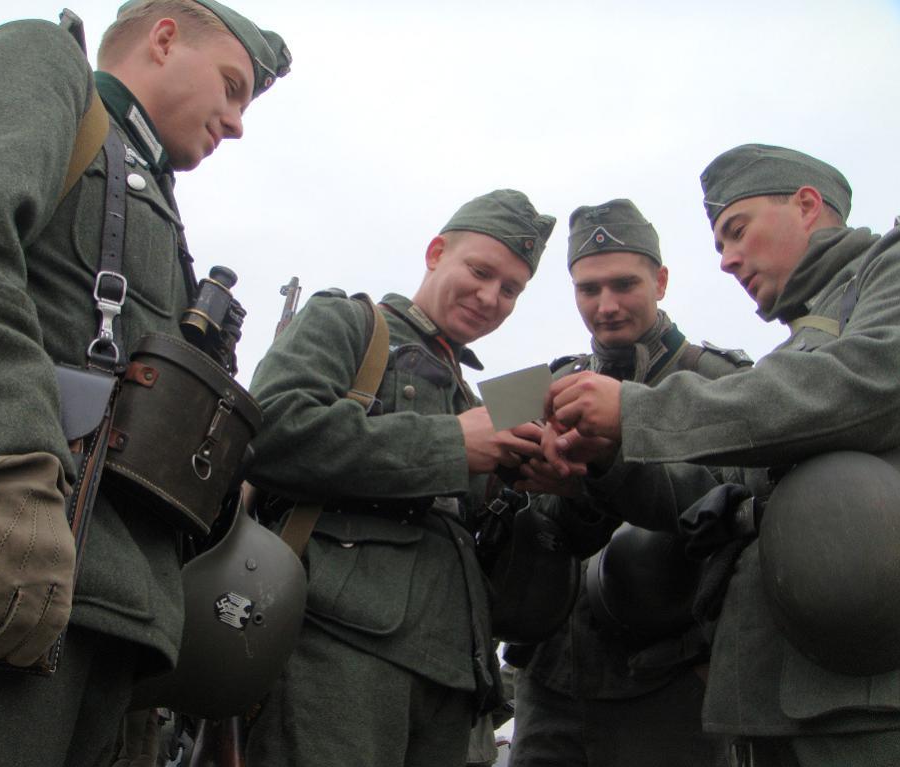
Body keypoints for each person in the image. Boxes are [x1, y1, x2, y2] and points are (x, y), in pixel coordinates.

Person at [0, 2, 289, 765]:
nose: (236, 123)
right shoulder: (44, 65)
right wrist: (1, 467)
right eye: (231, 86)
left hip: (100, 611)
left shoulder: (153, 198)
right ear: (163, 38)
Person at [546, 144, 900, 765]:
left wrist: (639, 412)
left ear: (807, 206)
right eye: (718, 244)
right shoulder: (800, 344)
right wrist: (605, 458)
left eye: (737, 230)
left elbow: (869, 381)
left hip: (869, 692)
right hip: (787, 693)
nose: (728, 260)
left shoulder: (886, 274)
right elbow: (708, 489)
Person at [244, 189, 556, 767]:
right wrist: (453, 443)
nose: (491, 297)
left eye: (511, 289)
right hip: (336, 650)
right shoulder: (349, 322)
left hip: (453, 671)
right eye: (480, 272)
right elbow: (268, 430)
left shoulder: (475, 398)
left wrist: (537, 481)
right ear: (436, 253)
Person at [509, 199, 748, 767]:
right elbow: (500, 508)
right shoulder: (540, 387)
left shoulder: (723, 383)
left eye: (624, 284)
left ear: (660, 281)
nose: (606, 306)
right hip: (550, 684)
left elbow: (734, 508)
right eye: (588, 289)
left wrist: (605, 470)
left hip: (671, 685)